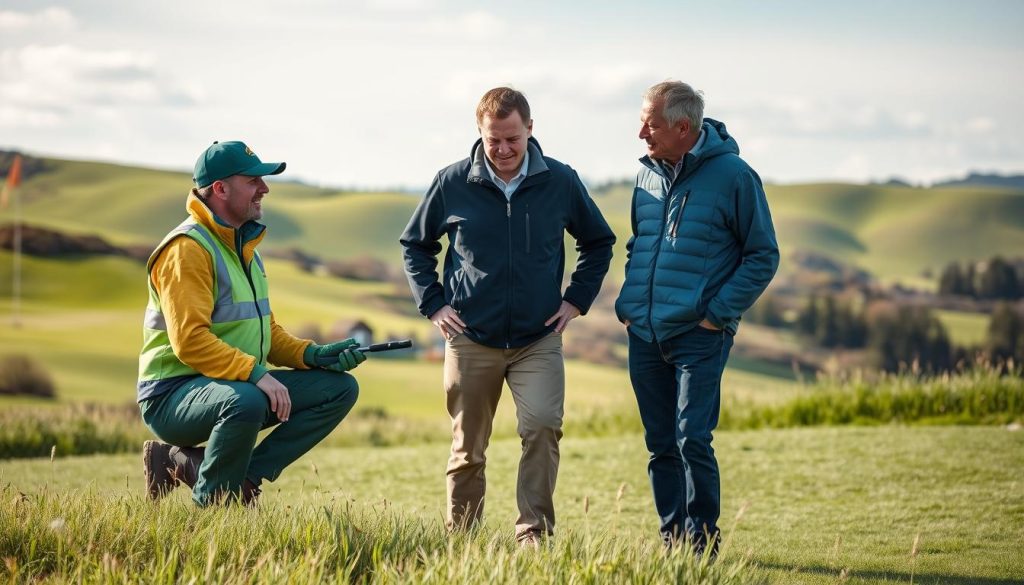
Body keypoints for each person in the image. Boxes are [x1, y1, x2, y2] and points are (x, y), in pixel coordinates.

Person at [400, 87, 616, 544]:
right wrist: (433, 304)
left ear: (530, 130)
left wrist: (576, 299)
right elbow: (416, 245)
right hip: (471, 338)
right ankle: (462, 537)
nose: (502, 150)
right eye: (493, 140)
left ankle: (532, 533)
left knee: (541, 428)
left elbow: (598, 242)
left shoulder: (560, 180)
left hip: (538, 338)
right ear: (479, 134)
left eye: (512, 139)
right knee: (468, 448)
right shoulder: (452, 181)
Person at [138, 140, 365, 507]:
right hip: (171, 395)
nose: (265, 188)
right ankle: (212, 504)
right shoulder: (187, 249)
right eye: (253, 180)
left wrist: (315, 354)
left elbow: (266, 333)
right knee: (247, 400)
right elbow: (190, 341)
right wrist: (257, 374)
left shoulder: (244, 248)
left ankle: (240, 480)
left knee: (339, 389)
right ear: (220, 189)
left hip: (229, 385)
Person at [615, 81, 779, 555]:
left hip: (699, 334)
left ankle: (702, 543)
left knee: (692, 439)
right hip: (644, 332)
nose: (641, 132)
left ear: (683, 128)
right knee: (660, 443)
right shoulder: (646, 175)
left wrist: (718, 315)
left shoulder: (735, 177)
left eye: (652, 123)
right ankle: (672, 542)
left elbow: (762, 255)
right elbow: (639, 242)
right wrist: (629, 305)